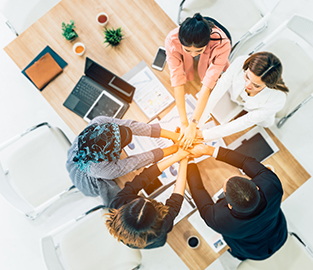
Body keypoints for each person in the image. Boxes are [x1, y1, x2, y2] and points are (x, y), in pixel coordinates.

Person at [187, 144, 288, 260]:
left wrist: (189, 160)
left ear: (229, 206)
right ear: (257, 187)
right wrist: (208, 150)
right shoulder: (273, 186)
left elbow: (197, 190)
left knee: (238, 251)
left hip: (252, 251)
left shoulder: (218, 220)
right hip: (279, 235)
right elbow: (245, 161)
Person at [66, 116, 180, 206]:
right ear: (113, 154)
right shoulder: (103, 170)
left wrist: (174, 136)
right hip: (89, 183)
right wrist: (174, 149)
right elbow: (135, 162)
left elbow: (131, 126)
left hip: (84, 157)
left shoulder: (98, 123)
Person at [165, 13, 231, 148]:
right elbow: (177, 79)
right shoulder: (172, 39)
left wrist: (193, 123)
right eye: (187, 49)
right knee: (185, 67)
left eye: (199, 51)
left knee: (211, 75)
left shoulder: (222, 44)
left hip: (217, 43)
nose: (193, 54)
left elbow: (207, 85)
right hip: (199, 37)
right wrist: (184, 123)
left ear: (206, 44)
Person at [106, 148, 190, 249]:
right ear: (158, 217)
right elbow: (176, 200)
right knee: (161, 241)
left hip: (132, 235)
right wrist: (185, 161)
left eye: (139, 200)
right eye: (149, 202)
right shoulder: (162, 228)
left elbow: (144, 177)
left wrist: (177, 156)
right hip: (152, 240)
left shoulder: (117, 204)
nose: (147, 199)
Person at [198, 52, 289, 142]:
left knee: (267, 123)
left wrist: (205, 135)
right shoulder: (240, 62)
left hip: (257, 112)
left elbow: (244, 122)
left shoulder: (277, 99)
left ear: (268, 85)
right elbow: (219, 89)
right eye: (247, 77)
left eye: (256, 85)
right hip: (234, 96)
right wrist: (198, 123)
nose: (247, 85)